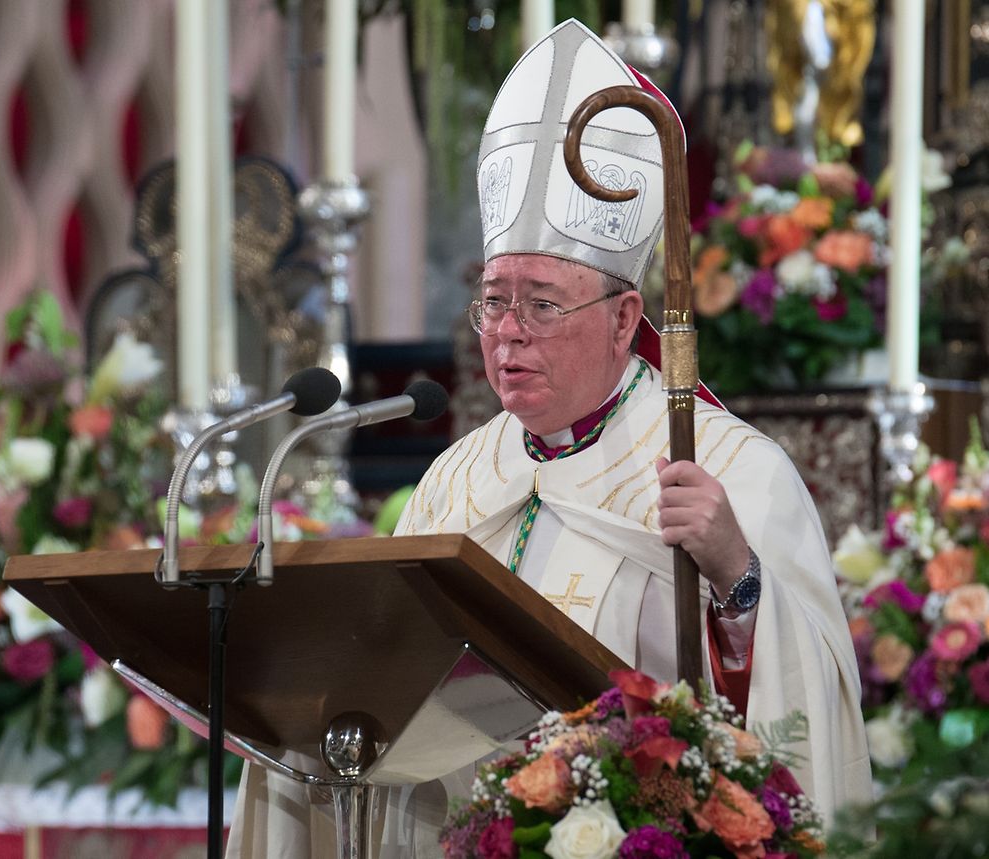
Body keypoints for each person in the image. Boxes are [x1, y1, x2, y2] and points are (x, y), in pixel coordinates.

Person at [228, 18, 870, 858]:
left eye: (542, 303)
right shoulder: (457, 479)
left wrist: (736, 578)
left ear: (624, 319)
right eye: (495, 302)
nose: (508, 333)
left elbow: (804, 709)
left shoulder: (728, 470)